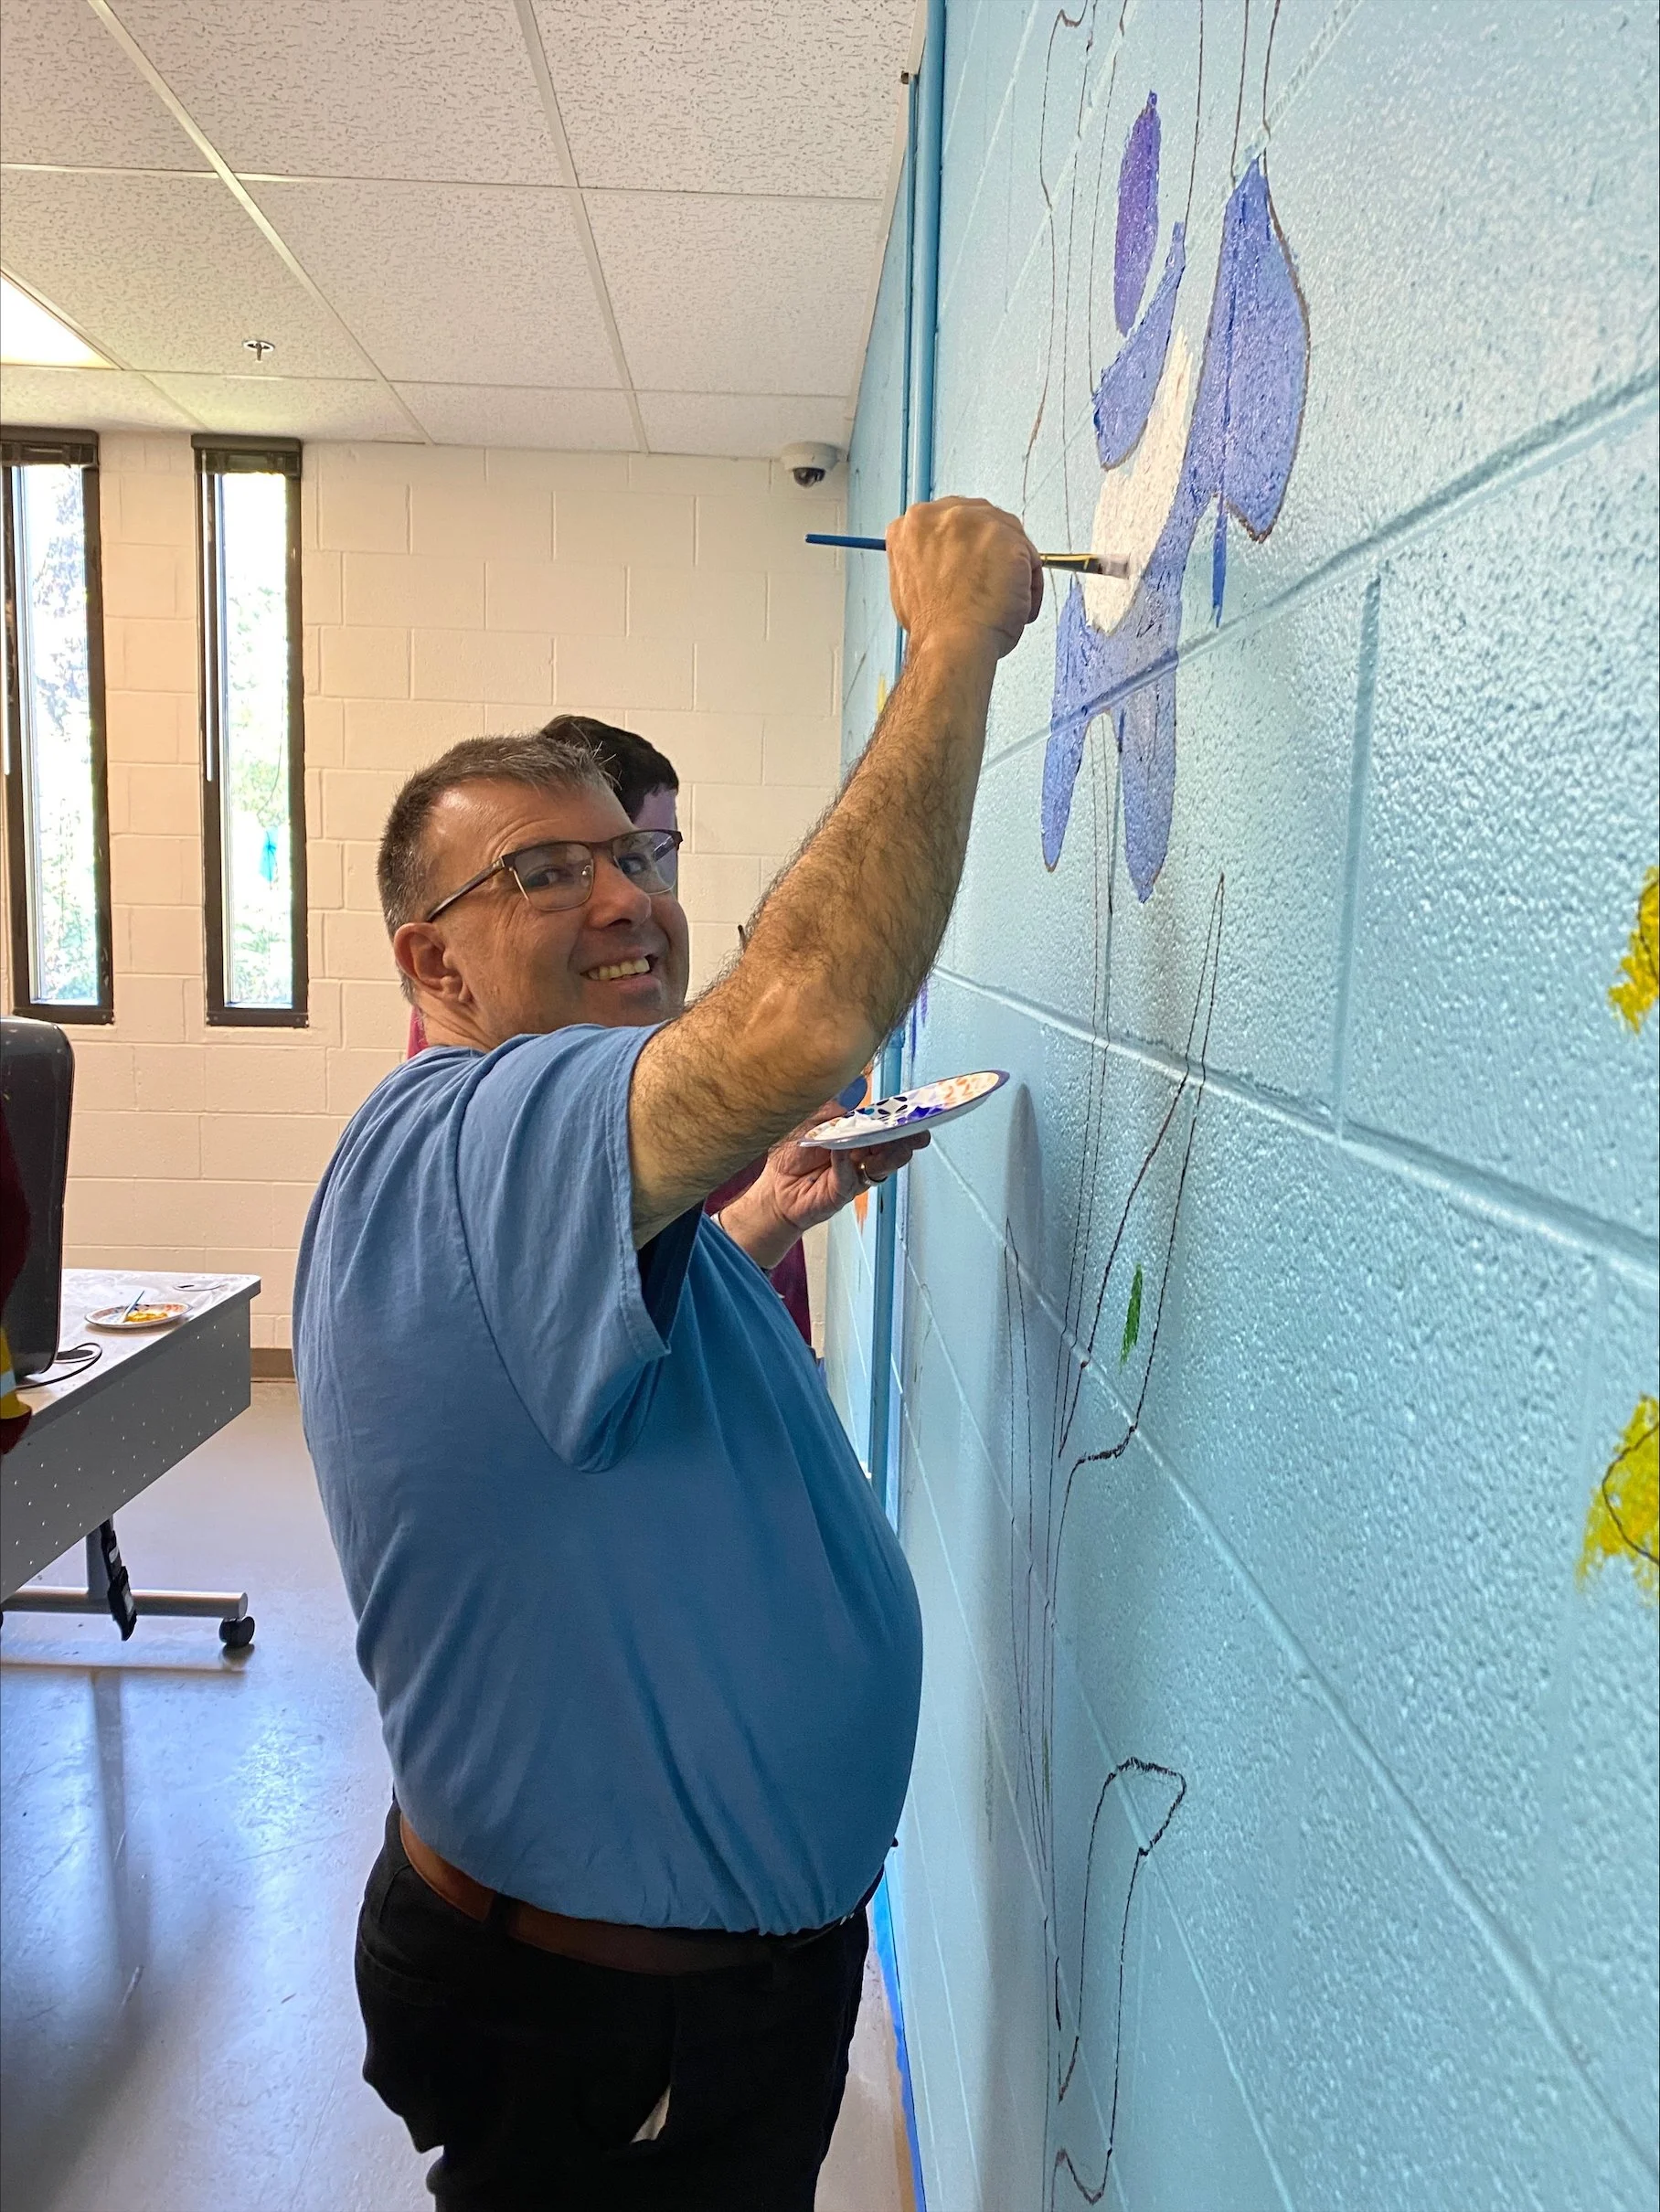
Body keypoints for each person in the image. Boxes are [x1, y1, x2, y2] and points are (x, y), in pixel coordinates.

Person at [293, 497, 1044, 2210]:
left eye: (638, 857)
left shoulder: (523, 1178)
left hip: (648, 1982)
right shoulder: (485, 1130)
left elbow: (571, 1405)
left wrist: (756, 1222)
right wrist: (948, 647)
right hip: (613, 2025)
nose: (627, 899)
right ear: (436, 964)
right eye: (545, 874)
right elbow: (807, 1012)